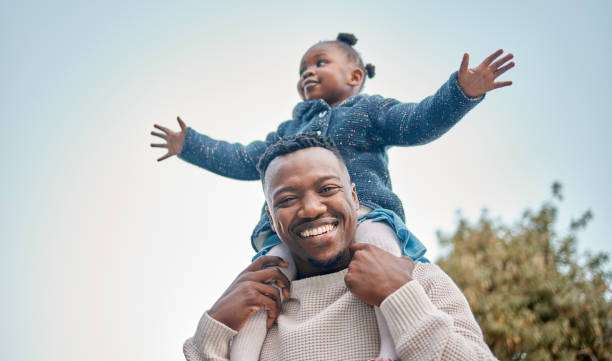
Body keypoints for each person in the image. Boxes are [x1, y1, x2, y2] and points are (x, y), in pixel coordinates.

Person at [153, 33, 514, 359]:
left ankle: (389, 347)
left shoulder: (369, 112)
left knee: (376, 245)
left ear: (355, 76)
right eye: (302, 69)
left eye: (320, 63)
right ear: (270, 205)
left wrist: (461, 93)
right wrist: (191, 146)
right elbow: (243, 157)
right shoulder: (287, 133)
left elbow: (416, 121)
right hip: (280, 250)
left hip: (370, 214)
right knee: (264, 278)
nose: (307, 73)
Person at [183, 133, 498, 360]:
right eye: (287, 199)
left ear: (355, 198)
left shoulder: (420, 282)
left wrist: (401, 297)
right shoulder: (253, 315)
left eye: (327, 189)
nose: (311, 209)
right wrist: (216, 324)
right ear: (271, 218)